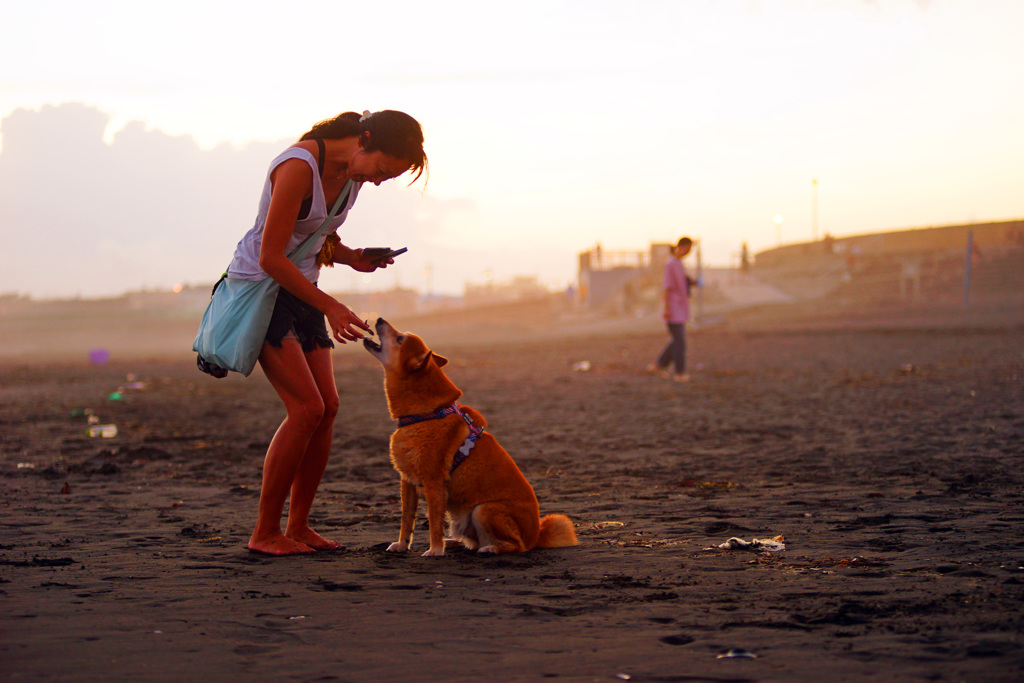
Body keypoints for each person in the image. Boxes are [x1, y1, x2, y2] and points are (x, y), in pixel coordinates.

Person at [227, 110, 427, 556]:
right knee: (305, 408)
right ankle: (264, 532)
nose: (376, 182)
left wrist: (354, 257)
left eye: (386, 178)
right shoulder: (298, 167)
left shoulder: (350, 175)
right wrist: (333, 307)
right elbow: (271, 256)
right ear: (364, 140)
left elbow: (315, 237)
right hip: (261, 291)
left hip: (301, 291)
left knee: (328, 407)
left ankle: (297, 527)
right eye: (381, 170)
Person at [649, 237, 696, 382]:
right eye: (687, 249)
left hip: (680, 308)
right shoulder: (670, 264)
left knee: (677, 340)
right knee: (680, 341)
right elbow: (667, 288)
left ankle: (659, 365)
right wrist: (667, 308)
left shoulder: (678, 264)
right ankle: (679, 373)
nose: (688, 253)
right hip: (673, 309)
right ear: (680, 247)